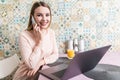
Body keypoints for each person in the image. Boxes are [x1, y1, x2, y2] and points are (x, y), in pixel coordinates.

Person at [13, 1, 59, 80]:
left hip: (42, 73)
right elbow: (31, 65)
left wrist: (40, 62)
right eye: (39, 15)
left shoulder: (51, 32)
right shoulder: (24, 35)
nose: (44, 19)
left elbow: (55, 54)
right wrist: (39, 42)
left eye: (47, 15)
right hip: (26, 76)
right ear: (32, 17)